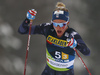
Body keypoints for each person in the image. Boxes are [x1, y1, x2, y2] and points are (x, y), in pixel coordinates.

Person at [18, 2, 90, 75]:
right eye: (55, 24)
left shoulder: (72, 34)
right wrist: (27, 19)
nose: (58, 27)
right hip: (49, 70)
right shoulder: (47, 28)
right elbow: (23, 30)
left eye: (62, 24)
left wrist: (76, 45)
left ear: (67, 22)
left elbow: (87, 52)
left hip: (66, 72)